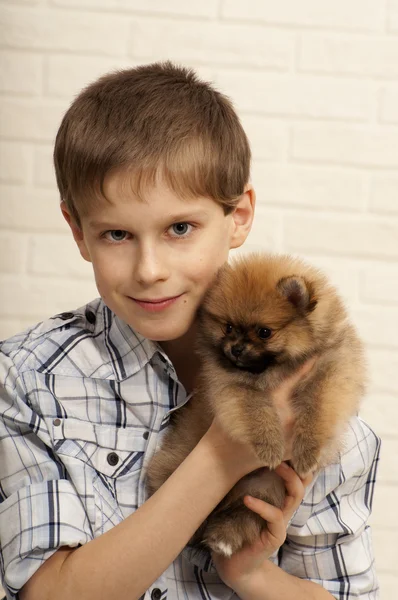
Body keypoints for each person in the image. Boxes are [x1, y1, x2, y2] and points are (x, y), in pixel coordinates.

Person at [0, 62, 380, 600]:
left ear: (240, 215)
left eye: (180, 228)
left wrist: (251, 574)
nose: (149, 268)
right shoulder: (28, 379)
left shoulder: (315, 392)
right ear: (77, 232)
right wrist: (224, 452)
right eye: (116, 233)